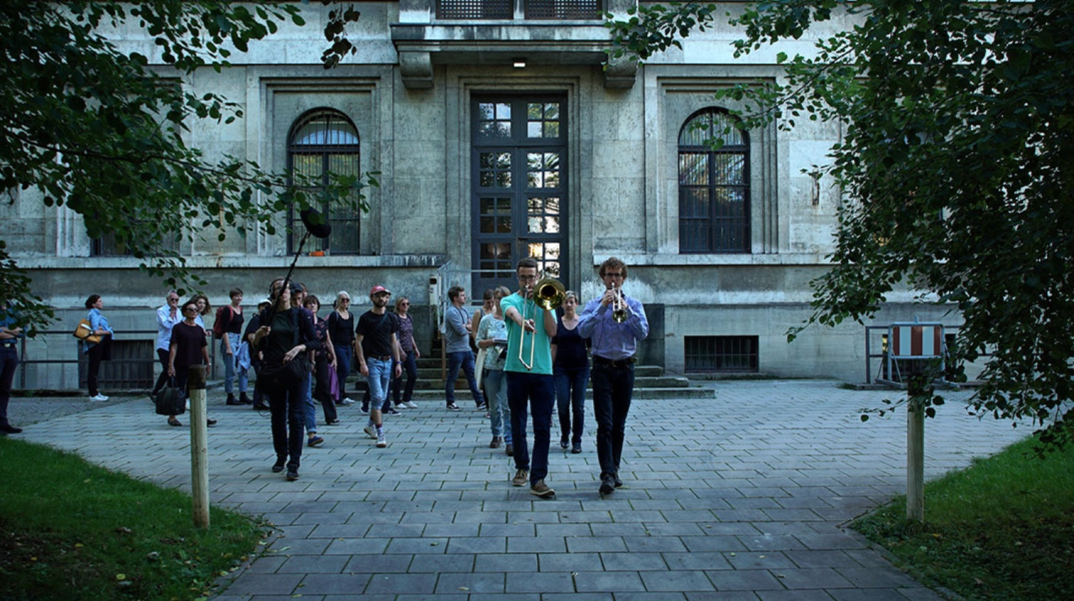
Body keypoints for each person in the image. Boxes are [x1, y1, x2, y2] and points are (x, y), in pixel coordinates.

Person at [577, 257, 649, 495]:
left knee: (618, 424)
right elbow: (583, 331)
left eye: (617, 275)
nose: (613, 279)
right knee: (604, 423)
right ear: (603, 278)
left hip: (626, 367)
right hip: (602, 368)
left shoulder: (635, 304)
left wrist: (627, 311)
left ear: (624, 278)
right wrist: (602, 309)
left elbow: (642, 333)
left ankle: (614, 469)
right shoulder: (593, 305)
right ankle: (606, 473)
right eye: (609, 275)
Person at [252, 277, 321, 481]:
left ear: (291, 293)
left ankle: (294, 462)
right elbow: (256, 344)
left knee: (296, 415)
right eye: (277, 288)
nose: (282, 291)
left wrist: (299, 347)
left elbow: (315, 341)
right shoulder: (267, 314)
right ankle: (281, 455)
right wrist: (259, 334)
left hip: (296, 370)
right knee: (278, 415)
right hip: (275, 370)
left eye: (286, 288)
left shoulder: (301, 315)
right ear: (273, 293)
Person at [501, 258, 558, 498]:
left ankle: (538, 477)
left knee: (543, 426)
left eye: (531, 277)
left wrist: (544, 305)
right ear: (517, 277)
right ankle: (521, 467)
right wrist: (521, 321)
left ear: (538, 276)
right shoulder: (509, 299)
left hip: (542, 371)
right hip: (515, 369)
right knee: (518, 421)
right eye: (524, 277)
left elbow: (553, 332)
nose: (528, 282)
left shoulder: (546, 299)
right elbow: (511, 312)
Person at [354, 285, 402, 448]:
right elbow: (358, 342)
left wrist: (398, 362)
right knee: (377, 397)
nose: (382, 299)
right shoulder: (366, 318)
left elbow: (393, 341)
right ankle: (380, 433)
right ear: (372, 298)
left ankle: (370, 425)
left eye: (385, 296)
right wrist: (362, 362)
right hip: (372, 361)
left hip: (387, 361)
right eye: (379, 296)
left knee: (381, 397)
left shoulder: (391, 318)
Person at [167, 299, 217, 428]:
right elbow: (174, 347)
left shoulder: (199, 329)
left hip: (196, 365)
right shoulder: (178, 328)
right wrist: (170, 364)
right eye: (191, 310)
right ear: (184, 312)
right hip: (181, 363)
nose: (194, 312)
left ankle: (202, 416)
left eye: (195, 310)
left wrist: (208, 363)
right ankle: (172, 416)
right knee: (179, 391)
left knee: (198, 391)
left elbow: (203, 347)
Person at [552, 290, 590, 455]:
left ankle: (577, 439)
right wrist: (549, 367)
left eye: (571, 301)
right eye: (566, 302)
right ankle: (565, 433)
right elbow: (554, 347)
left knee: (578, 406)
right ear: (562, 304)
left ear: (576, 304)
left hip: (581, 368)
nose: (568, 305)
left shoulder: (583, 322)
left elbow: (590, 347)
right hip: (561, 368)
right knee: (562, 403)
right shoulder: (557, 323)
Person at [476, 286, 512, 454]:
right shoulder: (487, 320)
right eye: (497, 298)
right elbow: (478, 341)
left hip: (508, 365)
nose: (500, 301)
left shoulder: (512, 318)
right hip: (491, 365)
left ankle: (509, 438)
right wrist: (490, 341)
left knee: (507, 404)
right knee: (493, 405)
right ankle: (496, 433)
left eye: (503, 298)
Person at [444, 285, 486, 412]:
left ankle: (479, 401)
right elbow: (461, 331)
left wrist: (467, 326)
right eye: (462, 295)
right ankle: (450, 401)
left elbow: (472, 325)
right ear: (455, 298)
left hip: (466, 349)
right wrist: (467, 326)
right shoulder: (451, 312)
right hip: (455, 350)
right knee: (453, 376)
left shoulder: (464, 310)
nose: (465, 297)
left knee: (473, 375)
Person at [291, 282, 323, 448]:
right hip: (282, 364)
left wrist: (310, 358)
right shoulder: (275, 315)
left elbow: (314, 341)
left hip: (301, 362)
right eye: (294, 299)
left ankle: (311, 432)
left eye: (299, 298)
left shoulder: (305, 315)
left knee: (307, 398)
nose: (297, 302)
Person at [303, 295, 339, 426]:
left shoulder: (322, 322)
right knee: (304, 388)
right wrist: (311, 361)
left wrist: (334, 357)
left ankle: (331, 415)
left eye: (314, 303)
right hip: (306, 357)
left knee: (324, 384)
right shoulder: (303, 322)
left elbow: (328, 341)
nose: (312, 306)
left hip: (322, 356)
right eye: (309, 304)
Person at [220, 287, 251, 406]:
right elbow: (224, 330)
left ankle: (243, 393)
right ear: (231, 297)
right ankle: (230, 395)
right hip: (230, 339)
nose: (239, 298)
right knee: (231, 369)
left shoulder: (240, 309)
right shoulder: (228, 310)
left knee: (243, 366)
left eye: (240, 296)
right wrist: (228, 346)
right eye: (236, 296)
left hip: (238, 338)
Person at [149, 291, 182, 401]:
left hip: (176, 344)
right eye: (172, 299)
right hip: (165, 344)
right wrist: (171, 313)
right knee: (167, 368)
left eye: (176, 300)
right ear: (167, 299)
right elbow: (167, 325)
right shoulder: (161, 311)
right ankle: (157, 391)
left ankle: (170, 392)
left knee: (174, 368)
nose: (174, 302)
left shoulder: (180, 311)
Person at [83, 294, 114, 402]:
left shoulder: (94, 314)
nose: (102, 303)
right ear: (94, 304)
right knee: (93, 368)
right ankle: (93, 394)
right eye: (99, 301)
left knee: (94, 368)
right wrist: (108, 331)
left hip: (97, 343)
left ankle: (95, 392)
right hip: (95, 343)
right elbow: (96, 331)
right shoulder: (93, 314)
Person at [326, 291, 355, 406]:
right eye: (342, 299)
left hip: (348, 346)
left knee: (344, 371)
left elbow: (351, 331)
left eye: (347, 300)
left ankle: (341, 393)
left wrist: (354, 345)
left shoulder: (350, 315)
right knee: (344, 369)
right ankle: (338, 395)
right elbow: (331, 334)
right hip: (338, 346)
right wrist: (330, 351)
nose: (345, 302)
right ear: (337, 301)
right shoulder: (335, 315)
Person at [391, 295, 420, 410]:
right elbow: (395, 337)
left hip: (409, 349)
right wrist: (400, 351)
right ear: (398, 305)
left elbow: (410, 334)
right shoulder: (395, 318)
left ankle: (407, 398)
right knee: (398, 376)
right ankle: (397, 400)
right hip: (398, 350)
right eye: (403, 304)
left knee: (413, 374)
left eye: (407, 304)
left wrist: (415, 347)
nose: (406, 306)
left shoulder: (408, 317)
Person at [0, 301, 24, 436]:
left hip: (11, 350)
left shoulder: (12, 308)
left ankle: (3, 423)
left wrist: (5, 330)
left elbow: (23, 330)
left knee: (4, 388)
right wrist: (12, 331)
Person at [244, 298, 272, 411]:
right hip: (258, 354)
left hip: (266, 354)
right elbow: (250, 336)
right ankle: (262, 401)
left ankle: (258, 401)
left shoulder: (268, 320)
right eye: (263, 306)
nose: (265, 308)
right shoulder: (256, 320)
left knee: (261, 379)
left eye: (267, 306)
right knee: (263, 378)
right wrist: (259, 349)